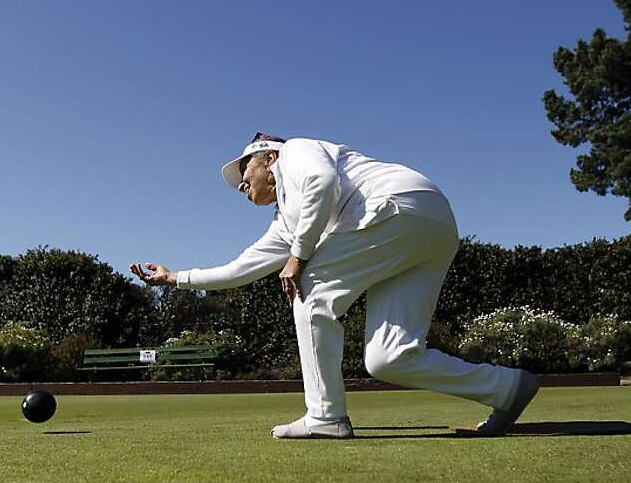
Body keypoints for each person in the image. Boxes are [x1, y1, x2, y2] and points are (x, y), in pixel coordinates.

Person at [130, 133, 538, 439]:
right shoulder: (289, 219)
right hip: (429, 225)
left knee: (308, 290)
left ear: (267, 156)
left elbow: (322, 182)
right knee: (388, 358)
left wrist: (297, 258)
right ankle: (506, 388)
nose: (241, 184)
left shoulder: (296, 153)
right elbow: (242, 267)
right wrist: (176, 278)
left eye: (243, 171)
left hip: (395, 203)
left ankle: (325, 416)